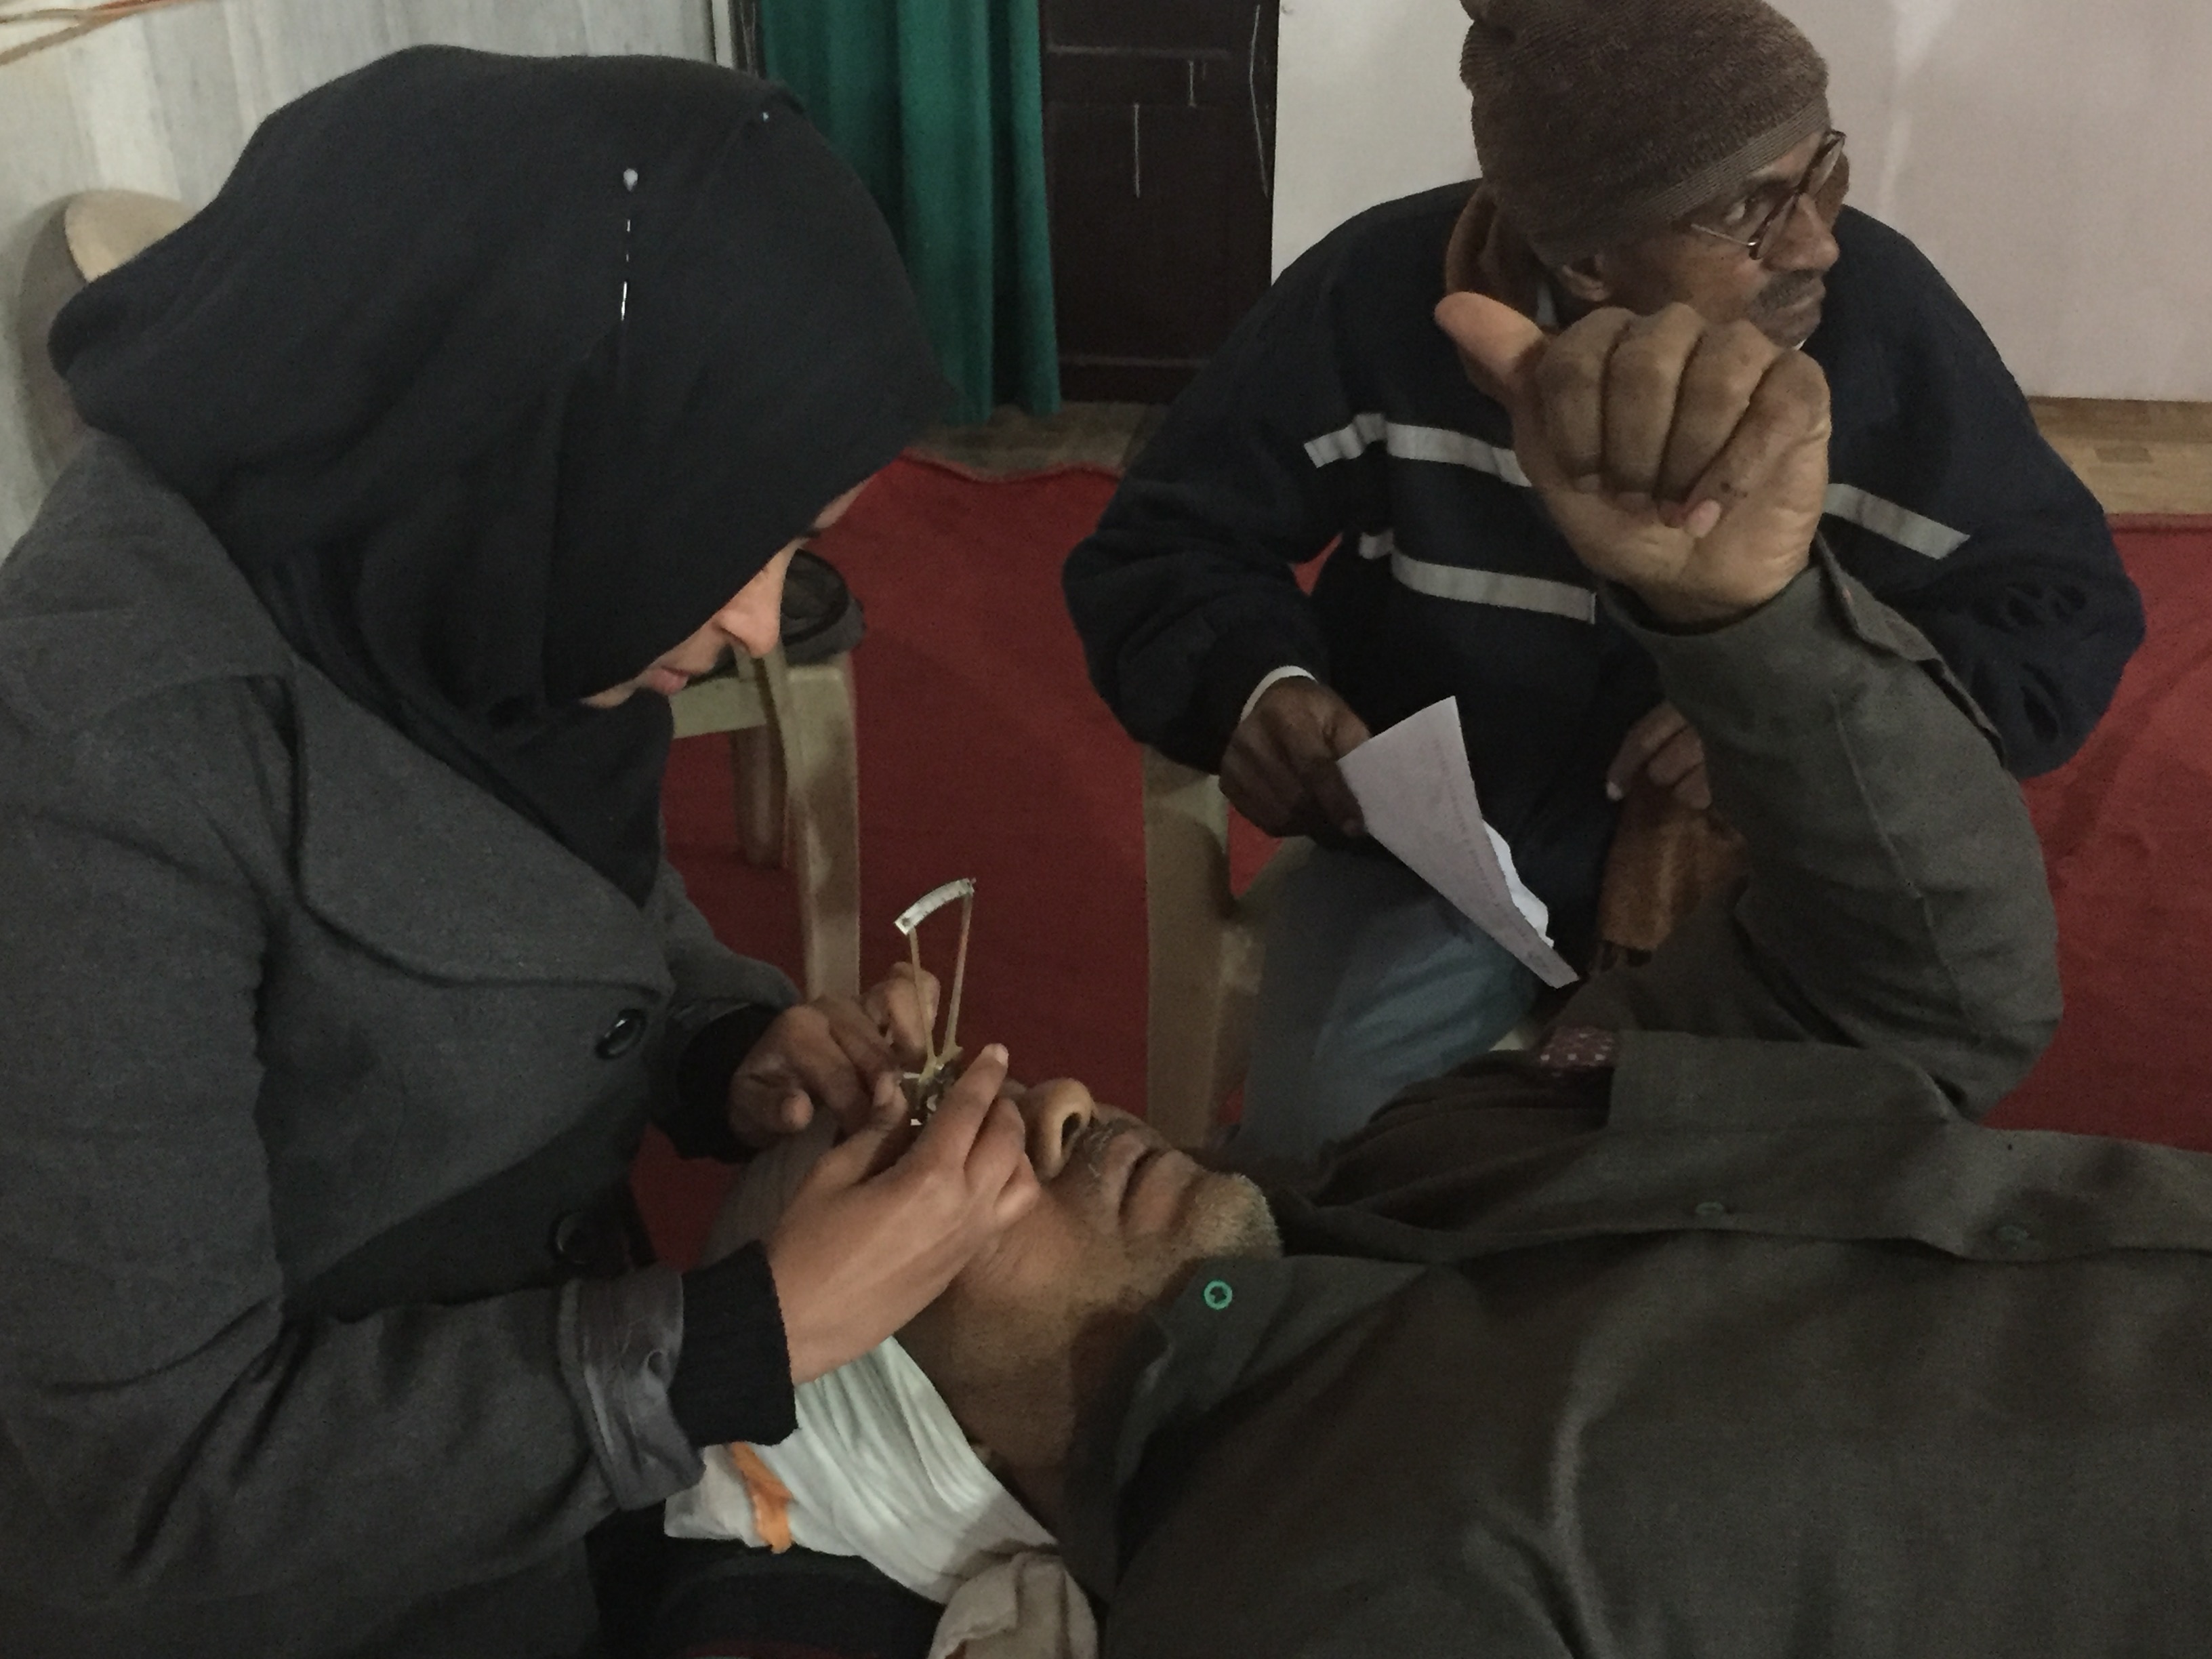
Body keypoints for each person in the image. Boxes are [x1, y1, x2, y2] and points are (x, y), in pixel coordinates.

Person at [700, 291, 2212, 1659]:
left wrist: (1753, 635)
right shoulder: (1306, 1590)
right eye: (933, 1168)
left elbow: (1933, 998)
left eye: (991, 1089)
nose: (1066, 1104)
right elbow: (1161, 553)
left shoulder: (1428, 1162)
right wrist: (1259, 686)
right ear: (929, 1432)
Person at [0, 49, 1044, 1659]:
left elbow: (559, 888)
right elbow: (142, 1498)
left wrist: (724, 1047)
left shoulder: (447, 553)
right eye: (733, 541)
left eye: (798, 546)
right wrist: (736, 1344)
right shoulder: (94, 769)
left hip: (530, 1492)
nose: (759, 623)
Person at [1062, 0, 2145, 1160]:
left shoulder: (1884, 328)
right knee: (1333, 1166)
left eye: (1823, 172)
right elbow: (1168, 542)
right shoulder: (1375, 299)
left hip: (1767, 871)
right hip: (1447, 860)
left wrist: (1800, 706)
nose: (1817, 242)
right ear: (1584, 259)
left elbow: (2061, 610)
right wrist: (1253, 687)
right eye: (1749, 208)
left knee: (1785, 1192)